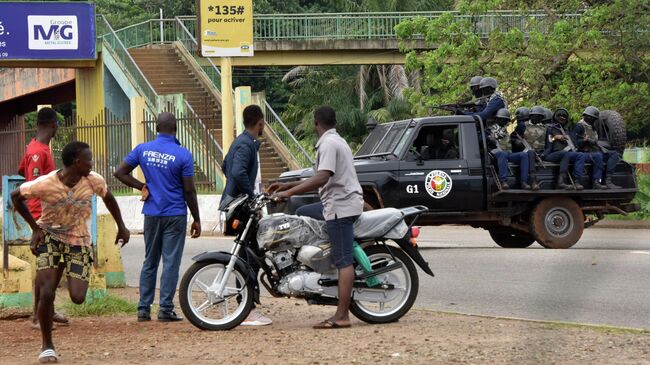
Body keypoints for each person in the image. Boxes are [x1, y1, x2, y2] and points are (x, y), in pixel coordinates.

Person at [11, 141, 130, 363]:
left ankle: (56, 272)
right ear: (77, 162)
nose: (92, 163)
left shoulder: (93, 180)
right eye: (89, 159)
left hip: (79, 240)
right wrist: (35, 228)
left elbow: (109, 198)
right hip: (50, 236)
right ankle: (47, 346)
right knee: (48, 292)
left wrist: (122, 226)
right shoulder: (46, 183)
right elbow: (15, 196)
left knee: (77, 297)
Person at [269, 106, 364, 329]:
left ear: (316, 123)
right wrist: (287, 185)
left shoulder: (329, 143)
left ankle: (342, 316)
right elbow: (319, 175)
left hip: (341, 208)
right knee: (302, 214)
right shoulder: (335, 140)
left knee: (344, 261)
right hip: (337, 204)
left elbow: (322, 177)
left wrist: (288, 193)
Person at [114, 112, 201, 323]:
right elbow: (189, 190)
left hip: (151, 213)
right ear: (175, 129)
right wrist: (196, 218)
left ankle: (143, 309)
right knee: (171, 262)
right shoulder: (183, 155)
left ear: (156, 127)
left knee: (150, 260)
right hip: (175, 214)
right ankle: (165, 309)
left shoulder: (142, 149)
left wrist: (142, 186)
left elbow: (120, 172)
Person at [218, 104, 272, 326]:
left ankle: (246, 305)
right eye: (263, 124)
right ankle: (247, 308)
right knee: (249, 257)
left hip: (237, 204)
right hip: (242, 207)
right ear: (260, 123)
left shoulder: (240, 142)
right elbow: (237, 171)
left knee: (247, 255)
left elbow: (225, 166)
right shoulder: (246, 144)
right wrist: (251, 195)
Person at [17, 107, 69, 329]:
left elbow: (22, 172)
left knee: (54, 262)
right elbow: (37, 186)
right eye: (57, 125)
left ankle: (47, 309)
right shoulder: (39, 152)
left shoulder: (33, 148)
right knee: (47, 265)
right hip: (42, 215)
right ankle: (40, 315)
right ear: (52, 125)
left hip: (48, 213)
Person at [573, 106, 621, 189]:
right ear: (585, 116)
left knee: (614, 154)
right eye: (588, 116)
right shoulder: (579, 126)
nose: (590, 118)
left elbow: (596, 141)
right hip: (585, 153)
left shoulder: (593, 127)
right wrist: (584, 141)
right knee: (598, 156)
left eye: (592, 117)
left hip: (594, 150)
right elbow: (574, 143)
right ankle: (596, 181)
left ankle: (608, 180)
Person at [487, 108, 536, 190]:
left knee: (524, 155)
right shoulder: (489, 130)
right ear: (497, 119)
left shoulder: (506, 131)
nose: (504, 122)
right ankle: (504, 181)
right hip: (496, 154)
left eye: (505, 120)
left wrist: (516, 142)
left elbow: (511, 140)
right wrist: (489, 139)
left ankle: (524, 181)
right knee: (502, 154)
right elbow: (481, 139)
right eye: (502, 119)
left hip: (508, 153)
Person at [543, 108, 591, 190]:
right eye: (559, 115)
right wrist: (555, 137)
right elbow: (548, 141)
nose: (562, 117)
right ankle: (561, 182)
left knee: (581, 155)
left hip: (567, 153)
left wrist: (583, 140)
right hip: (552, 154)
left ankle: (577, 181)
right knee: (565, 154)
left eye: (564, 116)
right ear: (555, 116)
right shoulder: (550, 128)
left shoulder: (567, 130)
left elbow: (575, 143)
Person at [510, 107, 541, 190]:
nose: (522, 122)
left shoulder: (537, 127)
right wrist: (516, 141)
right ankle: (532, 179)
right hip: (521, 152)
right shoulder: (522, 126)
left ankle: (531, 179)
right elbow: (512, 138)